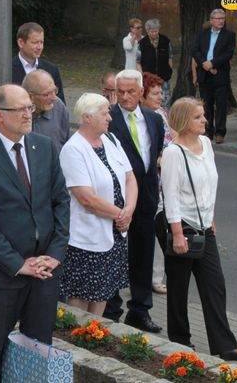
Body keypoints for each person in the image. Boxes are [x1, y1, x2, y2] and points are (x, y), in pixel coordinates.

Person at [0, 84, 70, 382]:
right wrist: (17, 263)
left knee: (38, 351)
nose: (28, 114)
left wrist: (55, 254)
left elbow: (61, 201)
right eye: (20, 109)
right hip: (3, 275)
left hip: (45, 271)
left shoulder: (43, 147)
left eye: (29, 107)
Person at [161, 97, 237, 362]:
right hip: (183, 227)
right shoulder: (173, 153)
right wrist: (177, 233)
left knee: (215, 286)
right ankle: (179, 343)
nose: (205, 120)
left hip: (204, 226)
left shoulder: (206, 144)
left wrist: (210, 215)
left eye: (204, 115)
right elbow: (171, 197)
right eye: (198, 117)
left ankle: (225, 344)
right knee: (178, 289)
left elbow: (210, 184)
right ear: (183, 122)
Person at [59, 93, 137, 316]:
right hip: (86, 238)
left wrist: (129, 211)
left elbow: (130, 178)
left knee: (103, 293)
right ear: (87, 117)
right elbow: (86, 198)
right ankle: (75, 343)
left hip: (115, 233)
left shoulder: (111, 141)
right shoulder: (73, 149)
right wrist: (121, 215)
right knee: (81, 297)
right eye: (104, 114)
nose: (110, 118)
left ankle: (93, 336)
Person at [103, 69, 164, 333]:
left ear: (141, 92)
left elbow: (154, 154)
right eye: (121, 92)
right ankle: (111, 308)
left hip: (147, 197)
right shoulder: (109, 119)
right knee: (116, 252)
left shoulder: (154, 119)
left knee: (143, 253)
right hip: (118, 199)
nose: (125, 97)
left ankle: (140, 310)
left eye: (131, 92)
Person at [140, 72, 173, 296]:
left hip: (165, 178)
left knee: (162, 225)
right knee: (151, 227)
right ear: (143, 96)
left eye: (161, 92)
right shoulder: (142, 118)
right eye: (155, 93)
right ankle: (151, 276)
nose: (160, 97)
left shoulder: (161, 113)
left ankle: (157, 275)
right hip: (151, 178)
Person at [192, 9, 236, 144]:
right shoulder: (202, 34)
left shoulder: (229, 35)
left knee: (221, 105)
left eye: (223, 18)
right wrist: (204, 64)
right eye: (218, 18)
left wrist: (212, 63)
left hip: (220, 74)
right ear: (211, 21)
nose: (221, 21)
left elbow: (228, 53)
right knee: (206, 104)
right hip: (204, 74)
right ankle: (208, 130)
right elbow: (195, 50)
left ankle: (220, 132)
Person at [12, 22, 65, 103]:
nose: (40, 47)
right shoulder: (7, 70)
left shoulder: (51, 69)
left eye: (41, 42)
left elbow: (60, 105)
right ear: (21, 43)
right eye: (35, 42)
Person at [23, 69, 70, 151]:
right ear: (31, 97)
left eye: (54, 91)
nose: (54, 98)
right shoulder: (13, 112)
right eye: (47, 94)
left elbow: (66, 143)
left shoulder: (59, 107)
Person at [136, 19, 173, 108]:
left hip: (164, 76)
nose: (154, 33)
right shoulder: (142, 43)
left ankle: (164, 116)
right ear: (147, 31)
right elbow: (138, 62)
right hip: (149, 77)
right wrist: (142, 75)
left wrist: (169, 71)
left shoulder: (166, 41)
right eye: (151, 31)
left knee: (165, 100)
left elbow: (170, 58)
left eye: (155, 31)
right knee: (149, 99)